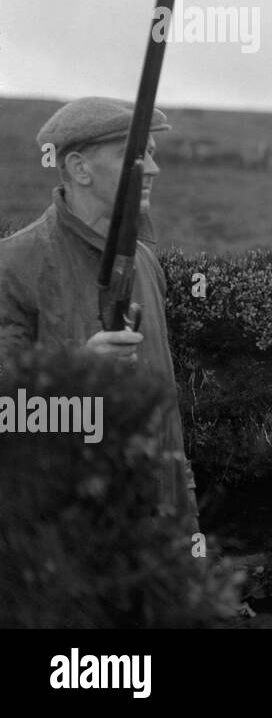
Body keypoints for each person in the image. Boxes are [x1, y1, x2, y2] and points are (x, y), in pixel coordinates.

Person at [0, 97, 200, 536]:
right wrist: (78, 370)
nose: (152, 169)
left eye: (152, 153)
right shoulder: (13, 265)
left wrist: (181, 504)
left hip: (161, 505)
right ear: (79, 168)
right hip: (65, 518)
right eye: (134, 155)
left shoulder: (145, 261)